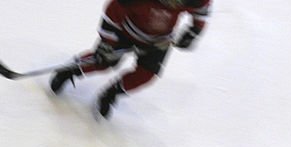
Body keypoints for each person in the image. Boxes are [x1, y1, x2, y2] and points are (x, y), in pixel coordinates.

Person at [49, 0, 212, 119]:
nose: (175, 6)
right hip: (124, 32)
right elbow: (112, 13)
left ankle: (112, 93)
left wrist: (193, 32)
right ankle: (69, 70)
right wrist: (107, 43)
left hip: (158, 41)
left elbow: (202, 12)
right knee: (103, 61)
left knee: (146, 74)